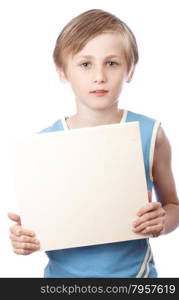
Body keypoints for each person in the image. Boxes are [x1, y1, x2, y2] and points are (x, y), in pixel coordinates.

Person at [8, 9, 179, 278]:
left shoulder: (151, 133)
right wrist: (24, 238)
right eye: (85, 64)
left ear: (130, 70)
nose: (99, 76)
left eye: (112, 63)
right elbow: (42, 225)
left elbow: (173, 207)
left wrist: (161, 222)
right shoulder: (44, 145)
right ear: (62, 71)